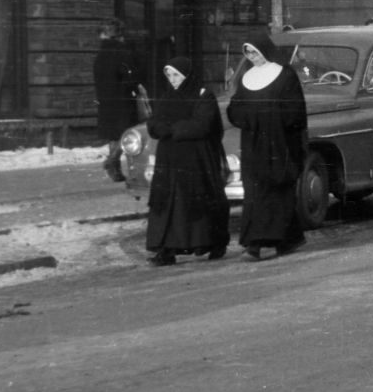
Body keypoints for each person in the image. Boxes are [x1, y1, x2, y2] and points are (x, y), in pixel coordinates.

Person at [226, 33, 308, 260]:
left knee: (277, 191)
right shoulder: (247, 77)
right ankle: (259, 243)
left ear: (265, 50)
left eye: (255, 51)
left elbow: (295, 112)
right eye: (248, 52)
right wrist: (252, 117)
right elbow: (235, 110)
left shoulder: (285, 75)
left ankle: (269, 242)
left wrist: (267, 117)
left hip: (280, 144)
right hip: (253, 146)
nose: (252, 56)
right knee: (256, 193)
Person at [144, 56, 230, 266]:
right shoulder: (166, 98)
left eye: (176, 75)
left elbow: (202, 125)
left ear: (187, 76)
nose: (172, 80)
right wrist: (158, 128)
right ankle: (166, 250)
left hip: (196, 160)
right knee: (167, 205)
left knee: (197, 203)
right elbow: (154, 122)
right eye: (169, 75)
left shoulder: (203, 96)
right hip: (169, 161)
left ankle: (211, 243)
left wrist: (171, 128)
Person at [93, 18, 144, 182]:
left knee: (114, 136)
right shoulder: (123, 52)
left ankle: (116, 170)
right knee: (127, 134)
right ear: (119, 34)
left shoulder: (100, 55)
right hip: (123, 100)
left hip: (106, 101)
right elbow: (132, 76)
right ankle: (113, 161)